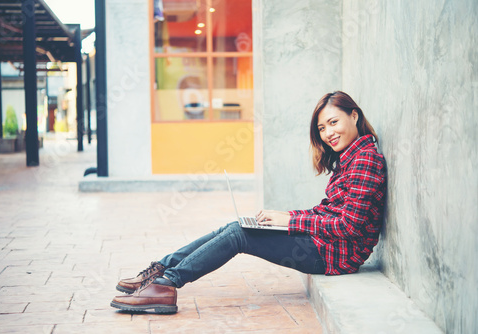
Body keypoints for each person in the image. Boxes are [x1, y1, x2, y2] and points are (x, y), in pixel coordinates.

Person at [110, 91, 387, 314]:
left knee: (239, 235)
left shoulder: (365, 159)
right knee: (235, 226)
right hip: (324, 243)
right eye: (322, 128)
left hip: (332, 255)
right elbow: (330, 212)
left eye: (334, 123)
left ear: (354, 115)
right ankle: (161, 269)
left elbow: (349, 226)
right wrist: (284, 215)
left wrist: (290, 222)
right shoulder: (351, 157)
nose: (328, 134)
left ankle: (166, 284)